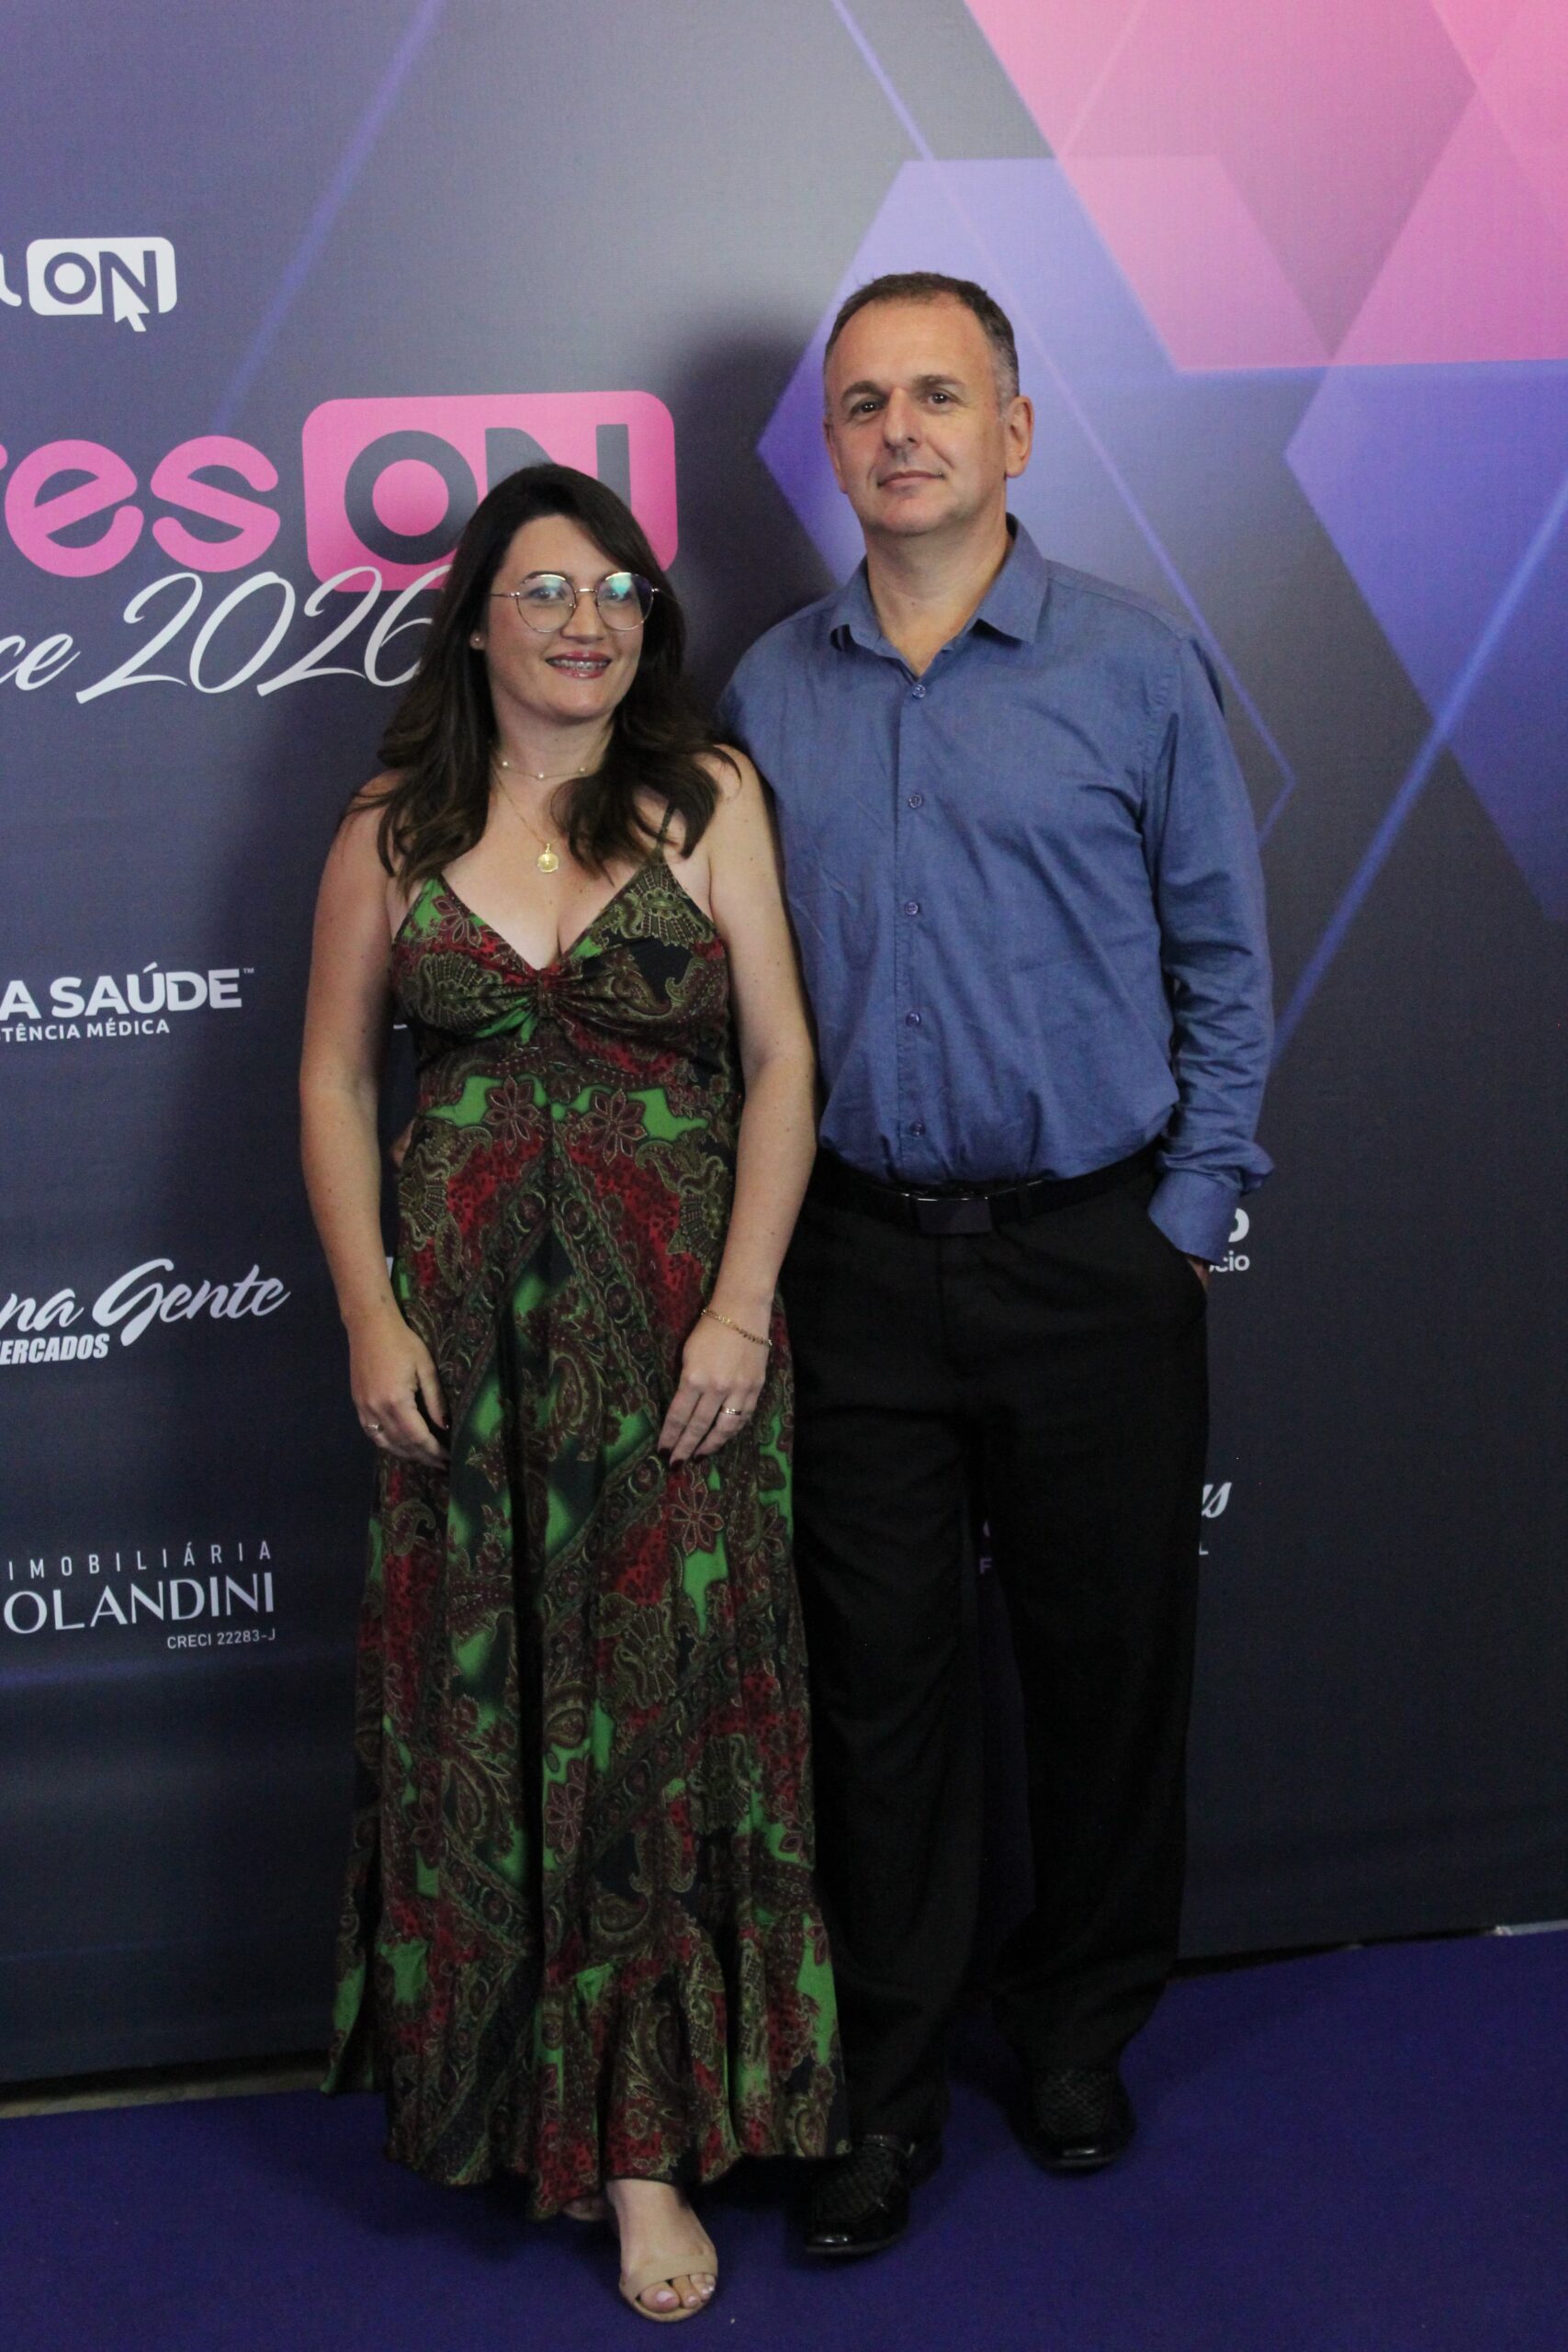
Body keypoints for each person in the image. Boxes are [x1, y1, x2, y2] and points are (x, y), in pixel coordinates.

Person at [718, 272, 1272, 2257]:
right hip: (857, 1268)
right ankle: (878, 2091)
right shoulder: (767, 693)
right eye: (865, 402)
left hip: (1089, 1259)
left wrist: (1180, 1226)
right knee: (874, 1701)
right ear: (832, 448)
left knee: (1107, 1676)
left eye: (939, 396)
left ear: (1014, 432)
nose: (901, 431)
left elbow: (1223, 969)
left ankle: (1075, 2029)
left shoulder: (1136, 667)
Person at [300, 462, 844, 2322]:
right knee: (484, 1717)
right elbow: (331, 1078)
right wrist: (370, 1313)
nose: (585, 620)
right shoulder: (392, 825)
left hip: (677, 1364)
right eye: (544, 590)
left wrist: (742, 1311)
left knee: (657, 1728)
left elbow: (782, 1063)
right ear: (474, 621)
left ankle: (644, 2152)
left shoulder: (708, 798)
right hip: (462, 1374)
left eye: (616, 590)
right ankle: (497, 2099)